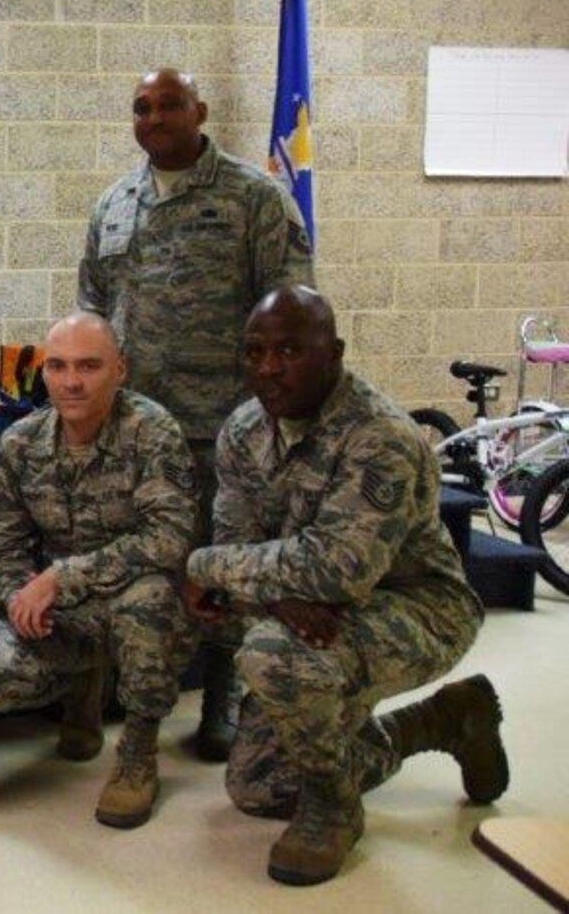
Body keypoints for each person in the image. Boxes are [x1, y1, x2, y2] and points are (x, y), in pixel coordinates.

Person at [184, 286, 508, 886]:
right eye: (255, 351)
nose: (268, 367)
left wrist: (209, 565)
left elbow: (336, 571)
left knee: (272, 656)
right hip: (305, 610)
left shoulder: (379, 436)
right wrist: (276, 592)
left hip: (420, 607)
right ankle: (442, 721)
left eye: (289, 349)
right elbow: (241, 545)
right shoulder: (243, 430)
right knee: (256, 788)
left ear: (333, 352)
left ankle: (333, 809)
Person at [78, 66, 315, 761]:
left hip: (225, 425)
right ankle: (126, 692)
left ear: (200, 111)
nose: (153, 118)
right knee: (134, 561)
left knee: (223, 566)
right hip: (134, 429)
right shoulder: (115, 203)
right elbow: (94, 307)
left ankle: (222, 700)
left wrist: (272, 417)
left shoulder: (254, 198)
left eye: (169, 105)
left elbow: (293, 311)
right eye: (141, 107)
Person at [0, 312, 196, 829]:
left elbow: (169, 538)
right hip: (60, 610)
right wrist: (20, 599)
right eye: (59, 366)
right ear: (43, 373)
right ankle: (83, 689)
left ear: (120, 369)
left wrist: (61, 579)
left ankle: (138, 752)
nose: (71, 381)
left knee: (150, 599)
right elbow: (1, 545)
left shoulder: (152, 431)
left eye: (89, 366)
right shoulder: (22, 442)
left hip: (132, 601)